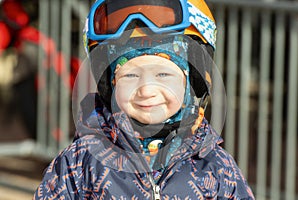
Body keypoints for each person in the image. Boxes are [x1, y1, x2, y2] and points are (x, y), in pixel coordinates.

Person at [34, 0, 255, 199]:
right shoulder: (79, 164)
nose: (146, 90)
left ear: (194, 82)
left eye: (163, 75)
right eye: (130, 76)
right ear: (109, 86)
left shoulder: (216, 167)